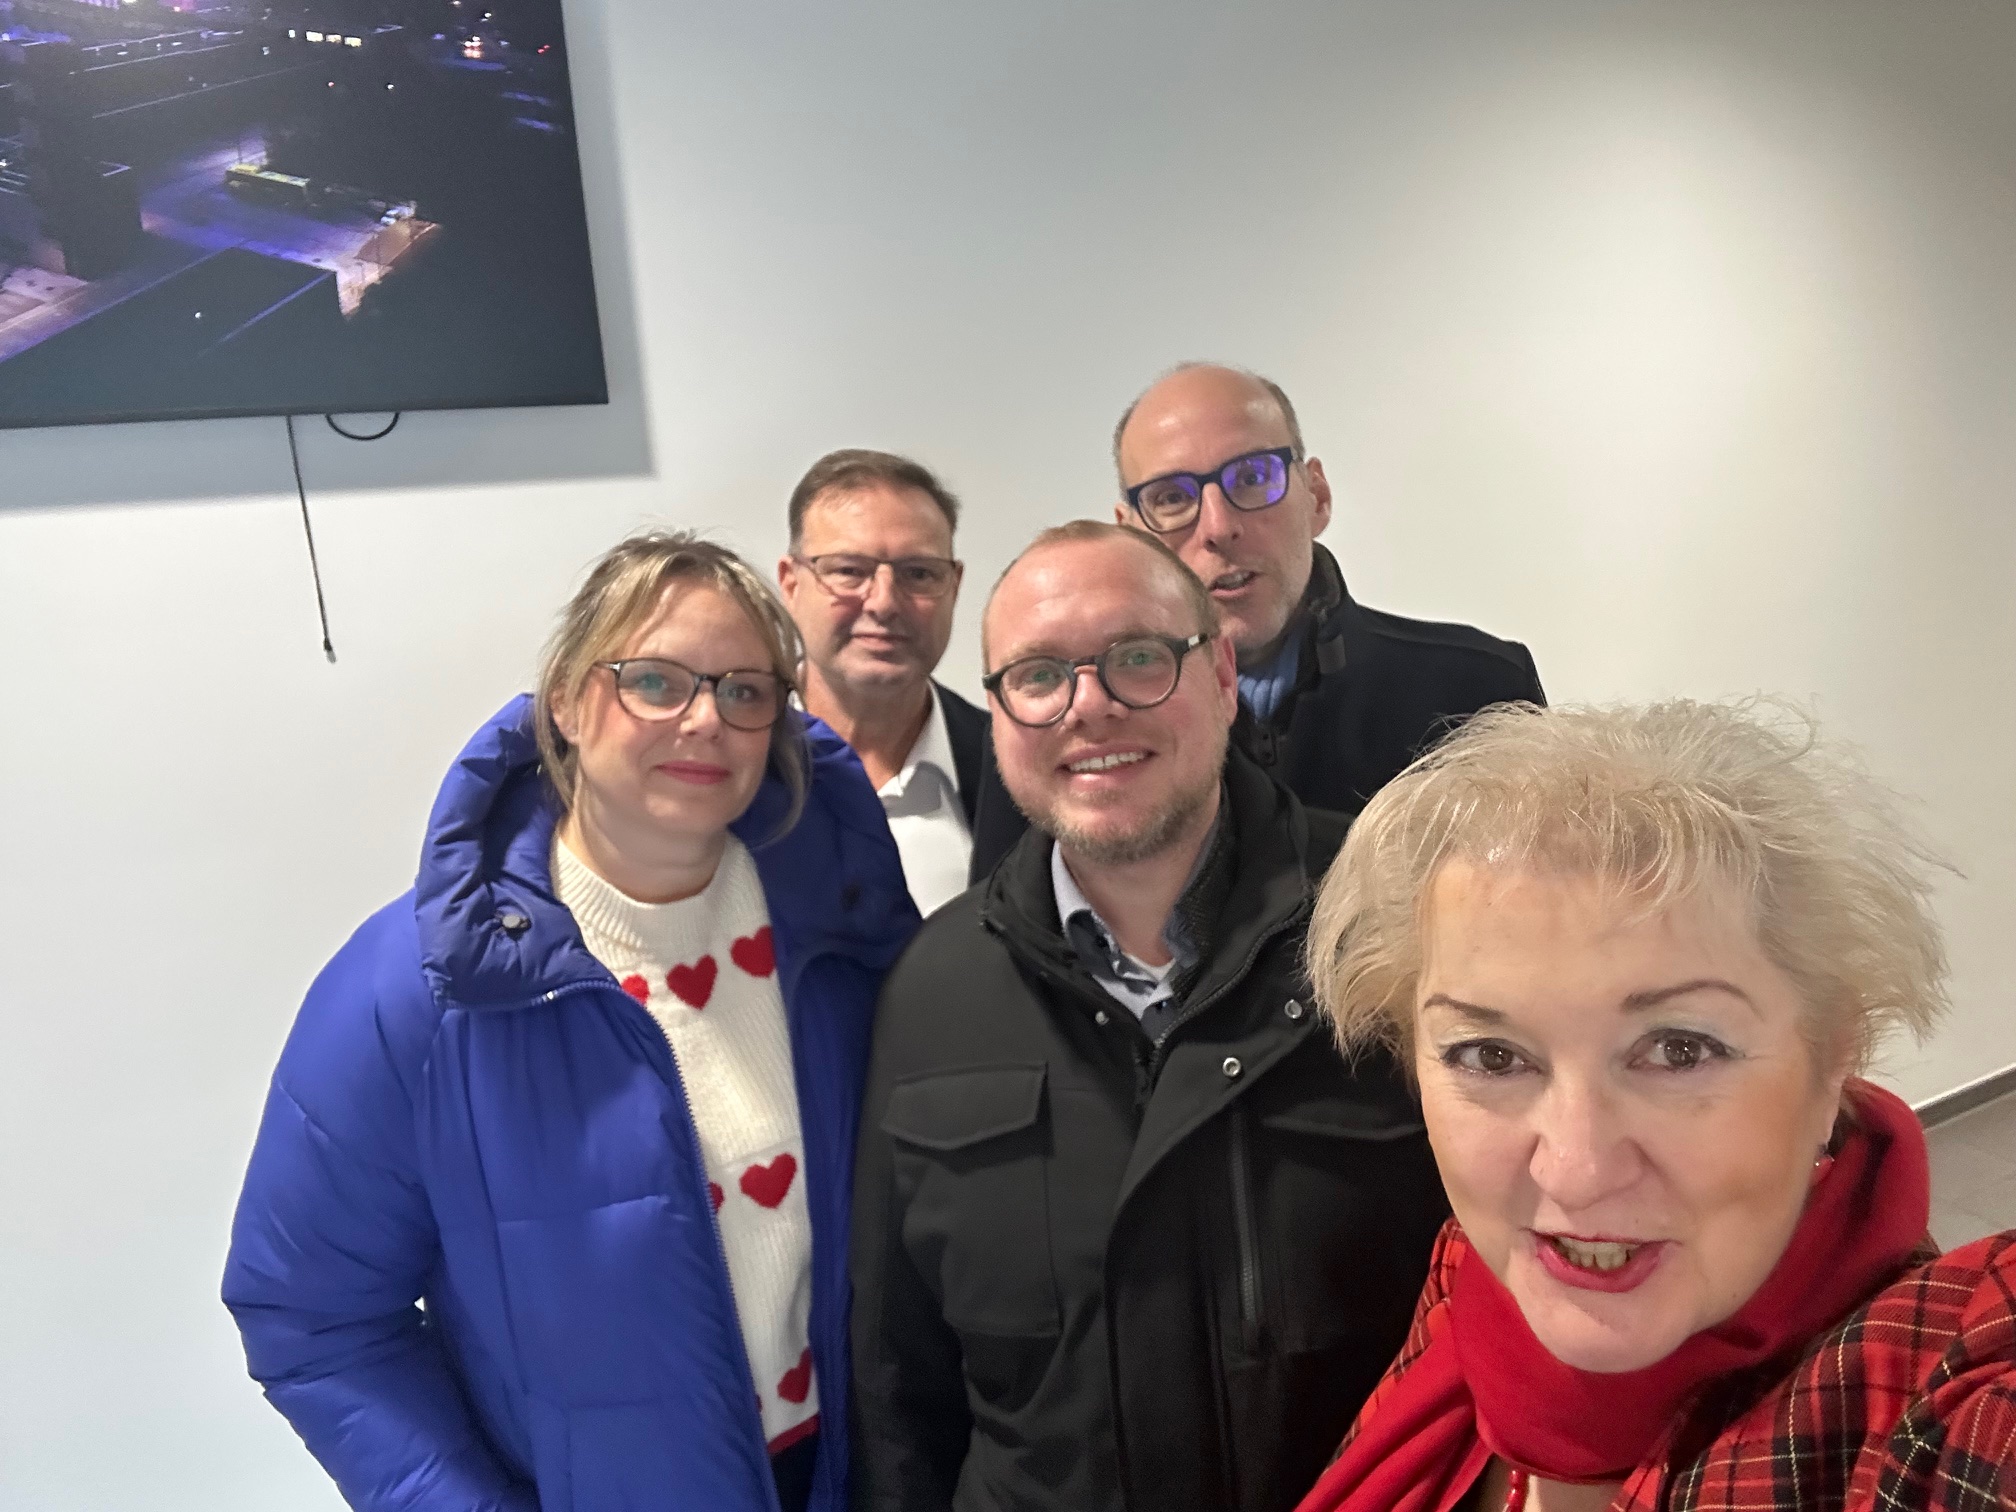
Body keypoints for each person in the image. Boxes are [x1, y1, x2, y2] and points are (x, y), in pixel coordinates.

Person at [223, 533, 920, 1512]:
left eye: (743, 691)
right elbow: (312, 1317)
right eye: (655, 682)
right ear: (563, 700)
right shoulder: (418, 988)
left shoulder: (846, 935)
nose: (705, 720)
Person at [851, 522, 1449, 1512]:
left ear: (1221, 674)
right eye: (1038, 676)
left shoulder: (1393, 920)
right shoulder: (932, 992)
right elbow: (896, 1389)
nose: (1088, 706)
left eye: (1136, 657)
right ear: (998, 715)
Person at [1294, 699, 2016, 1512]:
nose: (1575, 1171)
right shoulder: (1470, 1281)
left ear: (1832, 1060)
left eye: (1679, 1049)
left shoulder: (1950, 1396)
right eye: (1492, 1056)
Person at [967, 363, 1545, 878]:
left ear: (1316, 495)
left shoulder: (1478, 690)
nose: (1219, 526)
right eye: (1171, 498)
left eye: (1252, 478)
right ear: (1132, 536)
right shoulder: (1060, 724)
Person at [779, 448, 988, 914]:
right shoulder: (726, 760)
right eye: (849, 571)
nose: (884, 602)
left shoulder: (1017, 771)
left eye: (919, 574)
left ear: (954, 586)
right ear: (791, 584)